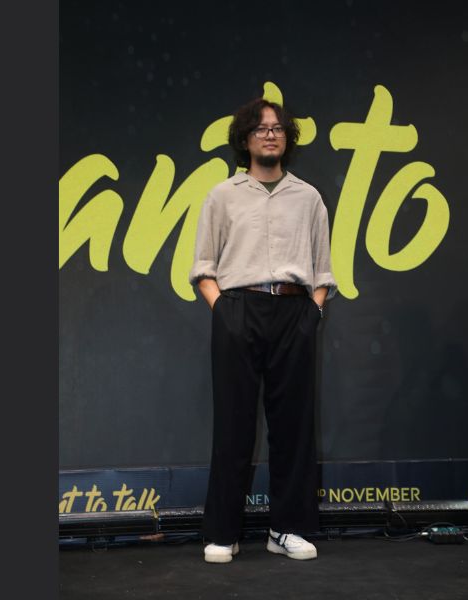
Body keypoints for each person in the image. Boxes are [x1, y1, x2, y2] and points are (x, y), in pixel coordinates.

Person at [189, 97, 336, 563]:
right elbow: (203, 267)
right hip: (238, 309)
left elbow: (323, 271)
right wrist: (223, 311)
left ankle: (286, 528)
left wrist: (312, 313)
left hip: (294, 312)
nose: (270, 134)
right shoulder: (222, 196)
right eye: (260, 128)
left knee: (293, 427)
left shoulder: (309, 198)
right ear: (245, 138)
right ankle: (223, 532)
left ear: (287, 138)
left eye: (277, 128)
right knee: (233, 425)